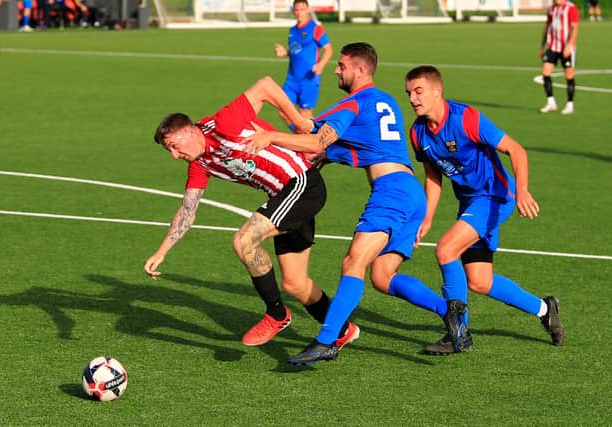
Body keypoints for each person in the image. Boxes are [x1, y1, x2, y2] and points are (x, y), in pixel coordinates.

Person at [244, 42, 462, 366]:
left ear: (360, 70)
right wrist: (326, 156)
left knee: (353, 263)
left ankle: (327, 340)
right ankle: (451, 312)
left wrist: (272, 135)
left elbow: (315, 136)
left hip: (391, 192)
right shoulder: (386, 102)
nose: (336, 69)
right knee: (382, 277)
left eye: (341, 65)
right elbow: (363, 148)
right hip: (410, 191)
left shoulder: (354, 103)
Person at [144, 76, 359, 350]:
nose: (174, 155)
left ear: (189, 131)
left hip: (302, 184)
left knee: (244, 240)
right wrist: (161, 253)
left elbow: (266, 86)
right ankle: (342, 330)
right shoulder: (201, 164)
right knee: (295, 283)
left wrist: (300, 123)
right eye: (169, 151)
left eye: (174, 146)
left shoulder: (224, 123)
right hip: (285, 198)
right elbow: (187, 210)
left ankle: (277, 314)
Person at [405, 65, 565, 354]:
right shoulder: (418, 133)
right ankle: (545, 309)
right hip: (470, 203)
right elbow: (433, 177)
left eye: (419, 91)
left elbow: (516, 150)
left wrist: (524, 190)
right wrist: (426, 217)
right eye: (409, 93)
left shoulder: (465, 119)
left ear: (437, 91)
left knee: (445, 250)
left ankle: (459, 332)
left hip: (495, 196)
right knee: (479, 281)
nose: (413, 99)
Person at [274, 0, 333, 127]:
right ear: (293, 11)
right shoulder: (292, 31)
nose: (299, 13)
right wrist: (286, 52)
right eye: (297, 10)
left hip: (309, 79)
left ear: (307, 10)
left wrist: (321, 65)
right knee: (283, 112)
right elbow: (297, 51)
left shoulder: (315, 29)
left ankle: (311, 141)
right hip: (292, 79)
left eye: (302, 9)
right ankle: (302, 138)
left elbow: (328, 49)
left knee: (305, 114)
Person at [539, 0, 579, 115]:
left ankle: (570, 104)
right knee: (546, 72)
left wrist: (569, 45)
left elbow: (574, 28)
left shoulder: (571, 8)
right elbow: (547, 26)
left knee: (569, 75)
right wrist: (542, 45)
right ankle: (551, 102)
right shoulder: (551, 8)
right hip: (553, 46)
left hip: (566, 47)